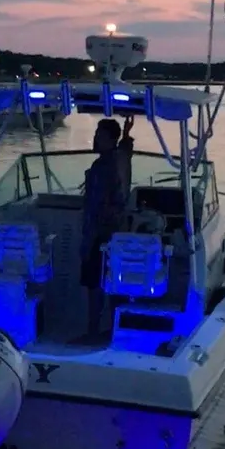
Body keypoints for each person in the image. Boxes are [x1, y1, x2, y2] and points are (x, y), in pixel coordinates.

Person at [79, 116, 134, 340]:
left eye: (99, 136)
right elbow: (126, 150)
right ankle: (111, 331)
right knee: (110, 283)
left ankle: (94, 332)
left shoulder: (104, 167)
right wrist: (127, 134)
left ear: (110, 140)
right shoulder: (120, 158)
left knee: (96, 285)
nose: (95, 140)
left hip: (101, 235)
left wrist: (92, 237)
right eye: (95, 135)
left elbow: (100, 204)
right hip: (115, 234)